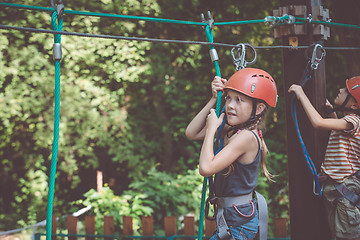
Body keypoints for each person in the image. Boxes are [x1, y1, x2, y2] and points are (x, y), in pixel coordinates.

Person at [186, 68, 277, 240]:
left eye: (239, 100)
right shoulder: (230, 129)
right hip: (230, 220)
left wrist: (212, 129)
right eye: (228, 98)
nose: (230, 105)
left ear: (258, 108)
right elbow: (192, 132)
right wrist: (213, 100)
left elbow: (206, 168)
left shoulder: (246, 138)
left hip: (239, 225)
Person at [289, 76, 360, 240]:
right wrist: (334, 114)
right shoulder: (347, 123)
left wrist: (301, 94)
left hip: (343, 189)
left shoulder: (354, 121)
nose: (341, 90)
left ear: (354, 105)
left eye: (346, 91)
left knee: (346, 236)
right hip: (337, 189)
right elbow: (341, 136)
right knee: (338, 234)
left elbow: (318, 122)